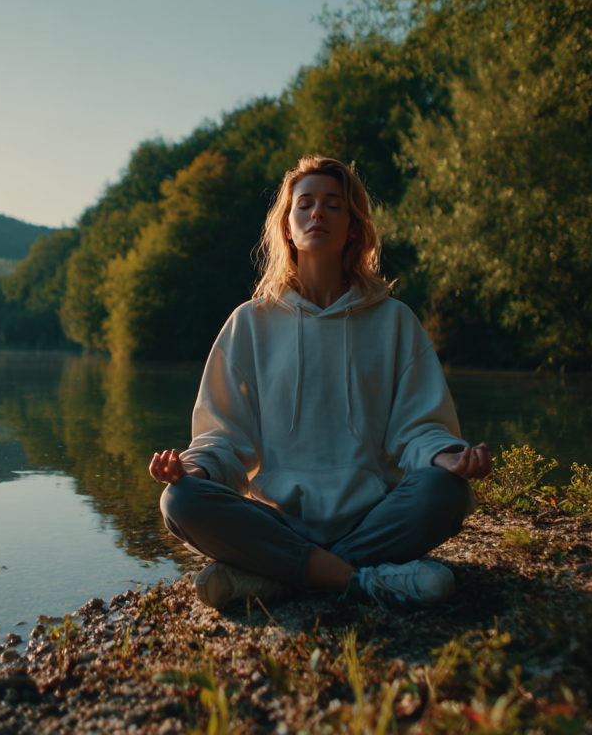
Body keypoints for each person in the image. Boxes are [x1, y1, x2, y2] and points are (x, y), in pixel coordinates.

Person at [149, 156, 493, 610]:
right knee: (181, 501)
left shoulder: (395, 321)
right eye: (305, 204)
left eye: (333, 205)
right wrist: (193, 470)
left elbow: (419, 429)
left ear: (353, 226)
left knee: (444, 491)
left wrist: (444, 455)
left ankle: (280, 577)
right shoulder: (248, 324)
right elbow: (223, 438)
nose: (318, 214)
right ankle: (362, 578)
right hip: (281, 522)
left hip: (374, 519)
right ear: (287, 227)